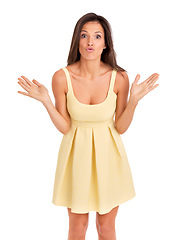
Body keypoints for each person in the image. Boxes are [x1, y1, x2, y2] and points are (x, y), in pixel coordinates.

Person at [17, 12, 159, 240]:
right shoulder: (61, 78)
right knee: (77, 227)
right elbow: (65, 126)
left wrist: (134, 100)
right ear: (77, 41)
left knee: (106, 228)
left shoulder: (119, 77)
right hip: (76, 157)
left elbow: (120, 127)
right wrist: (45, 101)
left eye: (97, 36)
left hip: (110, 157)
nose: (90, 42)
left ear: (105, 44)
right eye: (84, 36)